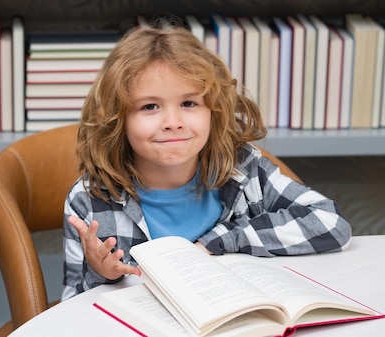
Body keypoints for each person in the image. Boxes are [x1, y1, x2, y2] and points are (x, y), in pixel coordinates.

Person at [62, 21, 352, 301]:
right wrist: (102, 275)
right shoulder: (88, 199)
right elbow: (69, 310)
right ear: (117, 120)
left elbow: (330, 223)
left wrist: (218, 242)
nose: (173, 123)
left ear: (214, 111)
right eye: (150, 106)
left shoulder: (246, 172)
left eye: (189, 103)